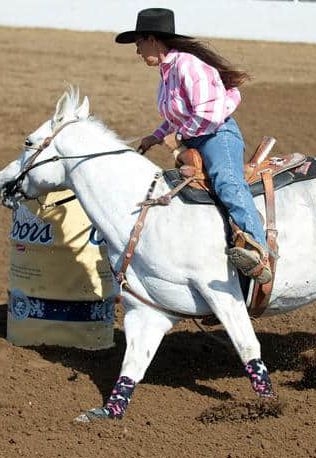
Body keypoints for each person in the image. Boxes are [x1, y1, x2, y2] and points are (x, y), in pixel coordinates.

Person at [116, 8, 272, 285]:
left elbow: (208, 114)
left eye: (138, 43)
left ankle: (258, 250)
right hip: (194, 139)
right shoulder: (167, 72)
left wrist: (178, 137)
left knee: (226, 182)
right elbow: (176, 115)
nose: (137, 51)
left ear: (151, 39)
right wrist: (156, 135)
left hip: (217, 135)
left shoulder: (188, 65)